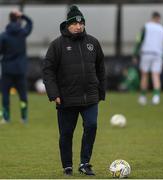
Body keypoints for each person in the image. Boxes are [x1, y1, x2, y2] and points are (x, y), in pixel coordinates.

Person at [43, 5, 105, 176]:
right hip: (66, 98)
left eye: (81, 23)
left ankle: (85, 163)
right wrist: (54, 94)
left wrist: (101, 91)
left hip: (90, 97)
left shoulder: (93, 43)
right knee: (66, 133)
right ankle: (67, 166)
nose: (79, 26)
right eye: (75, 24)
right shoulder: (56, 45)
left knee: (91, 126)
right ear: (68, 25)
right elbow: (47, 71)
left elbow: (101, 68)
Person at [0, 9, 33, 124]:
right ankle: (24, 117)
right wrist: (23, 15)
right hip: (20, 69)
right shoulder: (22, 33)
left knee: (5, 94)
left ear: (9, 19)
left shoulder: (3, 35)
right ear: (18, 18)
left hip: (7, 69)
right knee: (23, 95)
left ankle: (6, 117)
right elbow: (30, 23)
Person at [133, 11, 163, 105]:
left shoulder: (146, 26)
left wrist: (135, 53)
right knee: (156, 75)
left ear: (152, 17)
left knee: (144, 75)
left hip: (146, 53)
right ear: (159, 18)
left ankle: (143, 97)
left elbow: (139, 39)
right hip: (158, 54)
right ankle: (156, 97)